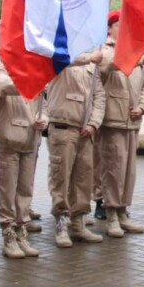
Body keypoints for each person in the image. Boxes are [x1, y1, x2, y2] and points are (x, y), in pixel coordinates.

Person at [97, 12, 144, 235]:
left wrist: (142, 107)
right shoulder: (105, 50)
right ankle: (110, 212)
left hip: (132, 121)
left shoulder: (135, 53)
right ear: (109, 28)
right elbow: (111, 65)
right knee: (113, 169)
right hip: (112, 119)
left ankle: (123, 211)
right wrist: (138, 58)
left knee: (128, 171)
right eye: (119, 25)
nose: (123, 29)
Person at [44, 50, 106, 246]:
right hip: (63, 126)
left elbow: (100, 97)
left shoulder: (91, 66)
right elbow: (61, 60)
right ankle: (61, 222)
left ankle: (78, 222)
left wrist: (93, 123)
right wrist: (89, 58)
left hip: (85, 130)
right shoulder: (61, 57)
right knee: (60, 177)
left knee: (83, 178)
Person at [0, 61, 44, 258]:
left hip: (30, 140)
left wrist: (43, 119)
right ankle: (9, 233)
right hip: (10, 137)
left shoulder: (36, 68)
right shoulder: (3, 66)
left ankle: (22, 231)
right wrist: (32, 80)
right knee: (7, 190)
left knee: (25, 189)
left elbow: (42, 105)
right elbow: (4, 87)